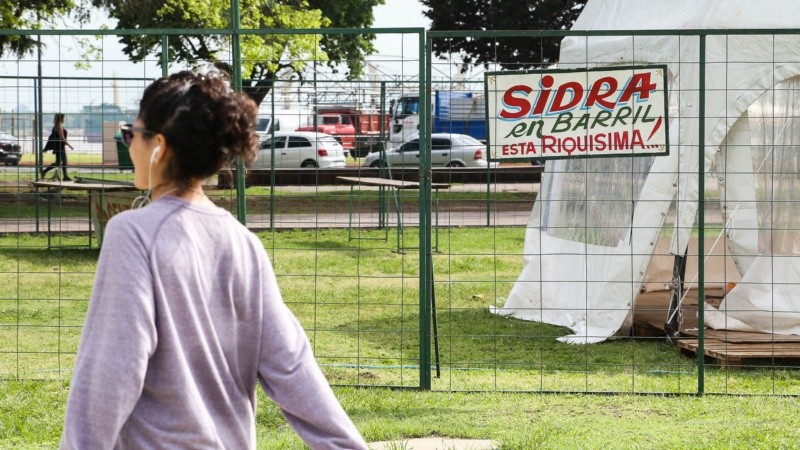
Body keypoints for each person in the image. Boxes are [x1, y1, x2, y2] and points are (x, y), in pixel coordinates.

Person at [60, 71, 369, 450]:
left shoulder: (132, 234)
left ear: (158, 146)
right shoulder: (244, 243)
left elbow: (111, 373)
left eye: (131, 134)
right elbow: (291, 367)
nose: (129, 145)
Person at [42, 113, 73, 181]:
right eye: (63, 118)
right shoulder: (58, 127)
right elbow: (62, 138)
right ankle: (44, 171)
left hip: (59, 146)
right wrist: (70, 145)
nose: (64, 119)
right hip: (59, 147)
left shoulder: (56, 126)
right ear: (61, 119)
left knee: (64, 161)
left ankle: (65, 176)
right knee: (59, 162)